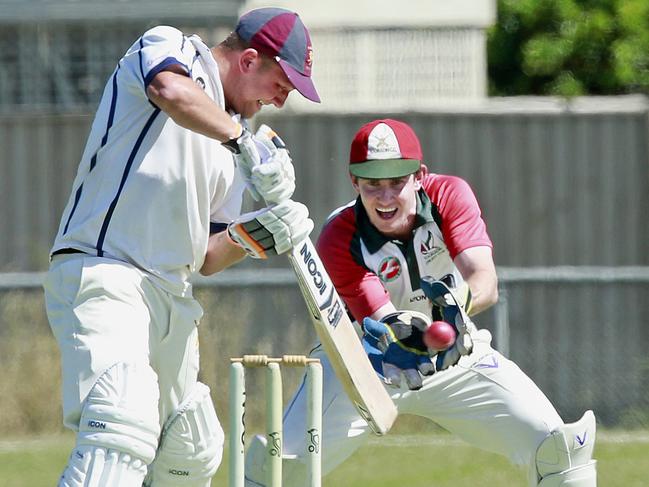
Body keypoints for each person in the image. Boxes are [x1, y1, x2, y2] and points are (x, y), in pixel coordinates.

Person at [43, 7, 319, 486]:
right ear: (250, 59)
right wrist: (241, 142)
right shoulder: (171, 46)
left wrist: (259, 234)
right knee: (121, 421)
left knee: (191, 447)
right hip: (107, 271)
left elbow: (209, 255)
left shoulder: (236, 142)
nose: (282, 99)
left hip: (173, 297)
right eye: (283, 83)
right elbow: (168, 91)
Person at [244, 119, 598, 487]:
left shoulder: (449, 196)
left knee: (561, 452)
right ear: (354, 182)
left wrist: (456, 305)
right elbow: (385, 321)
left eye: (397, 182)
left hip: (456, 357)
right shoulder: (339, 236)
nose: (385, 198)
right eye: (372, 185)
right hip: (365, 364)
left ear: (419, 176)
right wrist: (411, 334)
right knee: (278, 473)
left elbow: (485, 282)